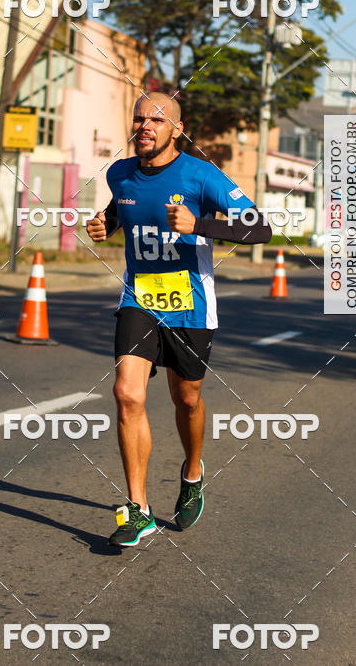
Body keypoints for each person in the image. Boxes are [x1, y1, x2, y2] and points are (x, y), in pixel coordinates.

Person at [86, 92, 272, 547]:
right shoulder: (119, 173)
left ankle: (192, 471)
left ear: (178, 129)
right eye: (139, 119)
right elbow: (123, 208)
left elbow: (259, 227)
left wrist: (200, 225)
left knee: (186, 400)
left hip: (190, 305)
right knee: (127, 394)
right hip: (140, 299)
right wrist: (104, 225)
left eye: (156, 119)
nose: (145, 126)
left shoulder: (201, 175)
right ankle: (138, 509)